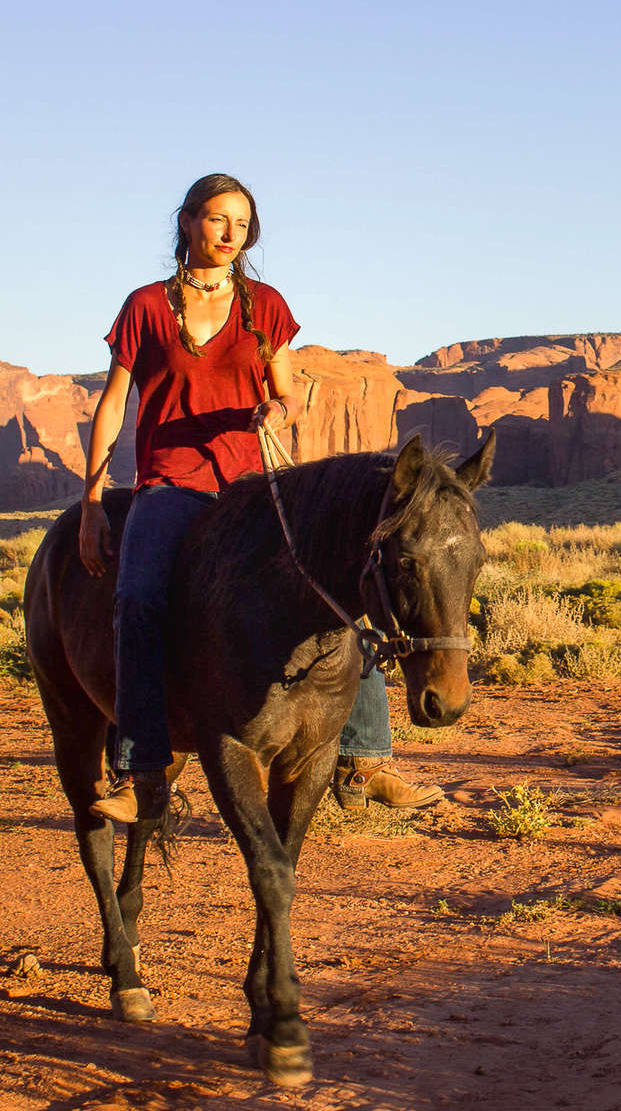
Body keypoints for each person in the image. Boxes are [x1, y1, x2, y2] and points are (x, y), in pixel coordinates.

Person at [79, 173, 441, 823]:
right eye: (218, 219)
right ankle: (145, 770)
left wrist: (281, 407)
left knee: (344, 590)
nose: (229, 235)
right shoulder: (145, 308)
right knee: (136, 601)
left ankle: (364, 759)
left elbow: (289, 391)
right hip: (173, 484)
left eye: (242, 225)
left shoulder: (263, 305)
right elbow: (112, 406)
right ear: (188, 221)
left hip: (253, 484)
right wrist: (92, 498)